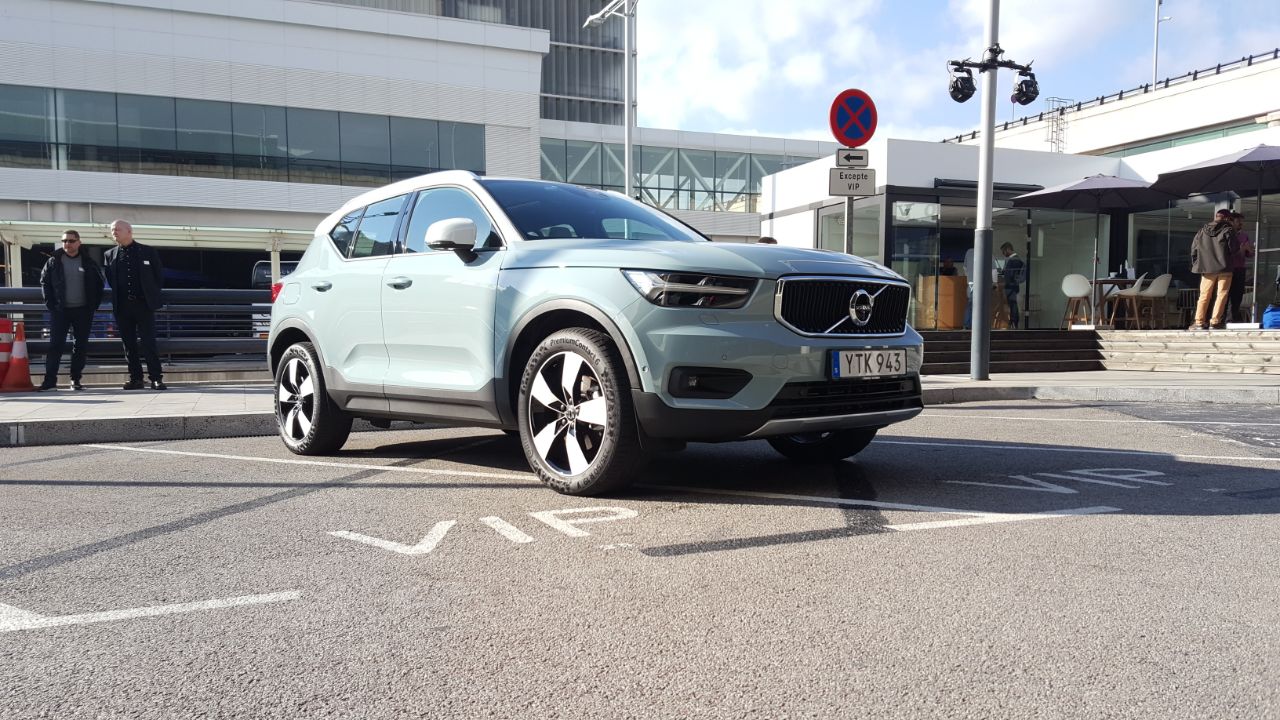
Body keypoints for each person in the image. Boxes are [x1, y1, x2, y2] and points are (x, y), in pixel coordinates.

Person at [37, 230, 105, 391]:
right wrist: (51, 304)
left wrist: (93, 305)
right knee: (55, 346)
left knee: (80, 346)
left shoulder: (88, 261)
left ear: (79, 242)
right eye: (64, 240)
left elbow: (99, 283)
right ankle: (50, 381)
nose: (67, 244)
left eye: (71, 241)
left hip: (83, 311)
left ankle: (75, 379)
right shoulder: (53, 260)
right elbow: (44, 282)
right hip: (60, 310)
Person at [103, 219, 167, 390]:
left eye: (117, 229)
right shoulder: (109, 255)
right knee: (128, 344)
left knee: (149, 342)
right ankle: (136, 378)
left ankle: (156, 378)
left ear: (129, 231)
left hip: (144, 305)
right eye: (112, 230)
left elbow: (158, 277)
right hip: (122, 306)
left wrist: (149, 295)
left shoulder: (148, 252)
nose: (113, 232)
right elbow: (110, 278)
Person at [1189, 208, 1239, 330]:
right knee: (1222, 294)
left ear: (1216, 217)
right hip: (1225, 268)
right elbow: (1234, 249)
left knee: (1204, 295)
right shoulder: (1229, 230)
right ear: (1227, 218)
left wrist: (1197, 263)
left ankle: (1199, 322)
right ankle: (1215, 322)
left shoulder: (1202, 231)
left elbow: (1194, 250)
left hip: (1207, 268)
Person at [1227, 211, 1254, 323]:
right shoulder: (1227, 235)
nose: (1240, 224)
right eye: (1238, 221)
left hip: (1240, 269)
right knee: (1226, 294)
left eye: (1241, 222)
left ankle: (1234, 318)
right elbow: (1227, 253)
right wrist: (1240, 250)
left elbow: (1250, 254)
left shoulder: (1244, 236)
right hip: (1228, 269)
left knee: (1237, 295)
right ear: (1231, 222)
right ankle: (1225, 318)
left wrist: (1249, 250)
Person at [999, 242, 1026, 329]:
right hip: (1013, 286)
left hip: (1011, 287)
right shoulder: (1016, 260)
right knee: (1012, 305)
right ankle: (1013, 323)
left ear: (1008, 249)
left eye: (1003, 251)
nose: (1003, 254)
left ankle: (1014, 323)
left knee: (1013, 305)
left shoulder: (1014, 260)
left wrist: (1005, 281)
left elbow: (1010, 275)